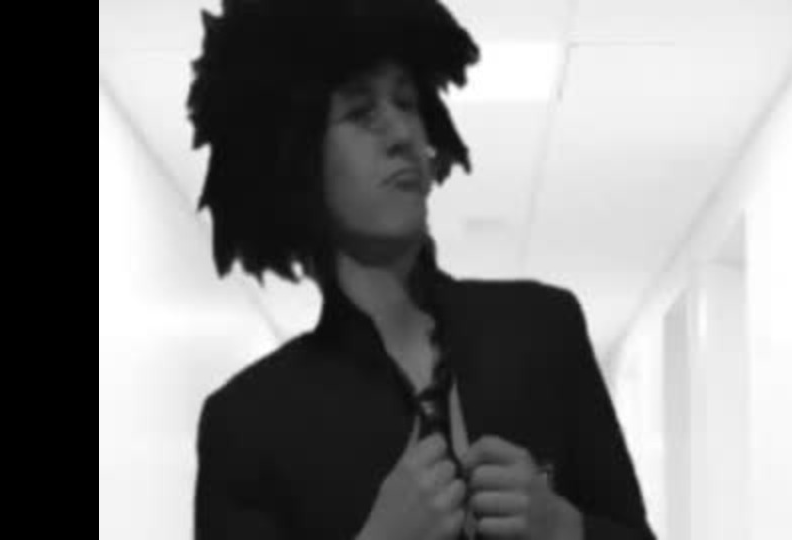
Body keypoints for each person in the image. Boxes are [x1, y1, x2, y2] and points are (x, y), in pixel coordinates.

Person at [188, 1, 657, 538]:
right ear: (294, 158)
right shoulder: (249, 424)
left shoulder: (542, 329)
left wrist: (564, 528)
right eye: (361, 113)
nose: (402, 134)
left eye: (407, 104)